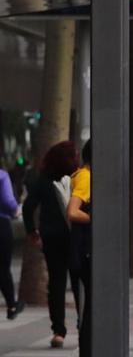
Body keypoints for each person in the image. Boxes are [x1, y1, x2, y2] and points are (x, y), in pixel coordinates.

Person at [22, 141, 81, 346]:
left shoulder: (43, 180)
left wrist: (32, 232)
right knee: (77, 281)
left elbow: (28, 207)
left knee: (57, 283)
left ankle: (59, 331)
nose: (76, 159)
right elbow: (28, 207)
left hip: (53, 238)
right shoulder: (75, 179)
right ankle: (79, 326)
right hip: (72, 238)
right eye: (73, 156)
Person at [65, 141, 92, 357]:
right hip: (86, 253)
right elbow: (72, 211)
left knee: (94, 310)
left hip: (83, 252)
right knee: (93, 312)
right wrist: (95, 218)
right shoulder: (86, 177)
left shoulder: (83, 175)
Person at [0, 161, 24, 321]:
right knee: (2, 267)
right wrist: (16, 209)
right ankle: (12, 305)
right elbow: (8, 201)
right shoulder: (2, 176)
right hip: (1, 224)